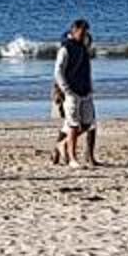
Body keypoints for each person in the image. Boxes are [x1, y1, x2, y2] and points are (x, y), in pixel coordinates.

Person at [54, 18, 97, 167]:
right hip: (71, 90)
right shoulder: (66, 48)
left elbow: (86, 68)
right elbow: (58, 71)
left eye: (86, 33)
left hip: (85, 90)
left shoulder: (84, 46)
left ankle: (62, 144)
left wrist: (90, 86)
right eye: (82, 32)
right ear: (74, 30)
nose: (84, 35)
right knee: (72, 124)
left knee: (87, 123)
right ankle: (72, 157)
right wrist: (66, 89)